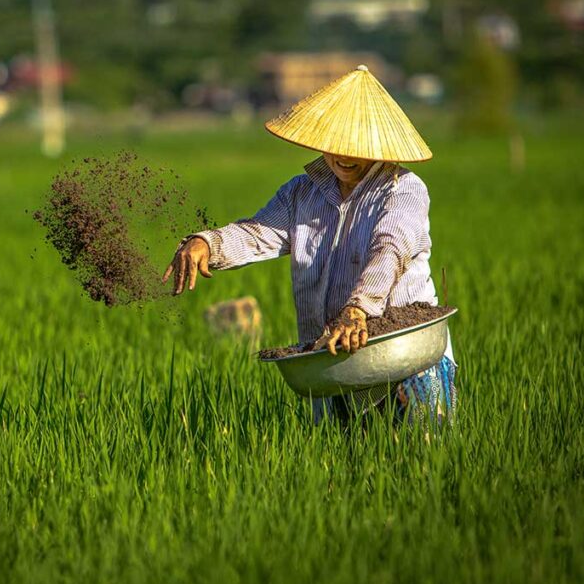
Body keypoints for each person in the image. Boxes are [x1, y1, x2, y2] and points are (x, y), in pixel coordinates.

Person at [162, 65, 456, 425]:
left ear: (377, 144)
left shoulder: (403, 190)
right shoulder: (301, 194)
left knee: (419, 467)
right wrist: (206, 244)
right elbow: (257, 234)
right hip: (334, 363)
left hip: (405, 359)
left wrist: (358, 310)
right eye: (336, 142)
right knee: (341, 471)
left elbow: (390, 248)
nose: (344, 154)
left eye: (356, 145)